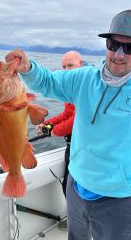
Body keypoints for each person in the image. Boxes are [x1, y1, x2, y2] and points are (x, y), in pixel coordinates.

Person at [5, 9, 131, 240]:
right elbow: (49, 82)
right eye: (113, 44)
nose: (118, 54)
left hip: (117, 200)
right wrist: (29, 68)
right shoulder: (85, 78)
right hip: (75, 185)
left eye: (130, 47)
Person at [36, 51, 84, 231]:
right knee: (68, 187)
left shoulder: (88, 86)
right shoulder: (70, 88)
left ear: (81, 64)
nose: (65, 70)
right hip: (72, 147)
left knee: (76, 189)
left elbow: (78, 119)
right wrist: (47, 124)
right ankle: (76, 222)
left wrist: (52, 131)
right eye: (63, 66)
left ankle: (80, 225)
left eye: (70, 65)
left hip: (83, 148)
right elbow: (67, 114)